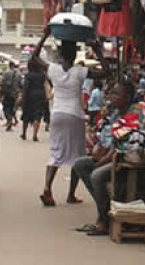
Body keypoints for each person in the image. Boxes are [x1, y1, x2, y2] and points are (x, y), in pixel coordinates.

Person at [31, 26, 105, 207]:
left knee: (55, 152)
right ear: (74, 55)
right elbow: (106, 73)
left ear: (60, 54)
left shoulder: (53, 69)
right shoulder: (80, 71)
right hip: (75, 115)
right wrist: (97, 51)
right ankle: (71, 194)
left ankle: (47, 187)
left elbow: (33, 58)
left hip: (57, 114)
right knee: (77, 156)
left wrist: (44, 36)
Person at [73, 78, 135, 236]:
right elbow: (107, 139)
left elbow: (122, 146)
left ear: (127, 97)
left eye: (116, 94)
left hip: (125, 159)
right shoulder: (114, 114)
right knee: (80, 165)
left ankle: (103, 220)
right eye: (111, 93)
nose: (111, 97)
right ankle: (106, 212)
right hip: (110, 155)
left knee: (97, 175)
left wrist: (102, 160)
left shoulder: (133, 115)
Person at [20, 62, 47, 141]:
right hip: (40, 95)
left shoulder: (28, 75)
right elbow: (45, 85)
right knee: (37, 115)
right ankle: (35, 135)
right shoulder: (42, 75)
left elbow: (25, 86)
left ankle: (24, 133)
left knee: (26, 114)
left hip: (29, 96)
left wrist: (23, 97)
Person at [0, 61, 21, 131]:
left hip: (7, 93)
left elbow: (2, 83)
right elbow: (21, 84)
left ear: (9, 65)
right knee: (12, 107)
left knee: (5, 107)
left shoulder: (6, 73)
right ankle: (10, 121)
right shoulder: (18, 74)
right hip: (15, 94)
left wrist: (1, 93)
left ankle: (9, 119)